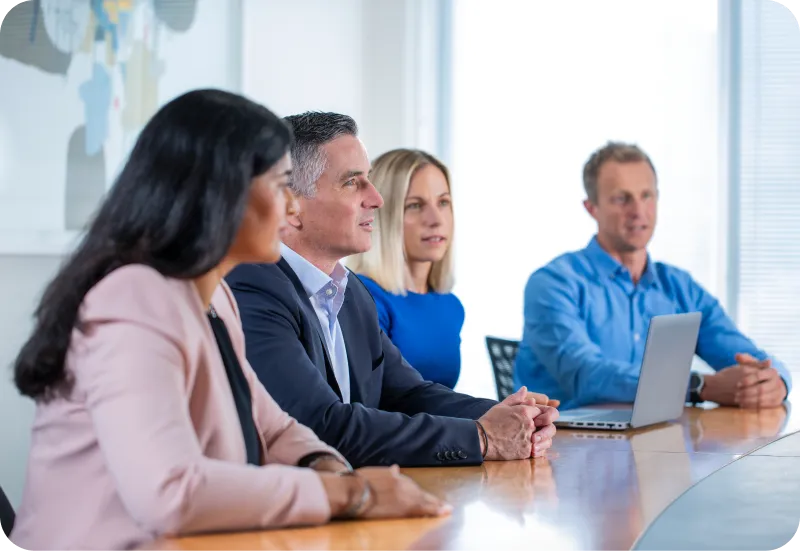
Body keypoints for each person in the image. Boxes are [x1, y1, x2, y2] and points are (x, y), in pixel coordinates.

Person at [9, 91, 449, 551]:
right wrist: (351, 495)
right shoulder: (133, 297)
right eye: (280, 186)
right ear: (220, 194)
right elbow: (171, 492)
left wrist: (334, 474)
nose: (293, 208)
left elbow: (275, 429)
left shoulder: (215, 296)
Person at [227, 112, 559, 469]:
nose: (376, 199)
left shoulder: (349, 291)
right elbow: (319, 425)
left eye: (368, 180)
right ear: (292, 206)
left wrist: (507, 414)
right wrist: (481, 437)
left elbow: (407, 393)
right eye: (352, 183)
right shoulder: (253, 288)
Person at [513, 141, 792, 410]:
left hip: (661, 435)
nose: (638, 211)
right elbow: (587, 375)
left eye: (646, 195)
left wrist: (774, 381)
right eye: (622, 199)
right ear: (592, 208)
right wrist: (698, 386)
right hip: (565, 438)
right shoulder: (553, 285)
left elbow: (744, 355)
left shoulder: (680, 288)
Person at [347, 148, 464, 389]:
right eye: (415, 205)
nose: (436, 219)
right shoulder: (362, 299)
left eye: (443, 202)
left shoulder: (451, 305)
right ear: (381, 214)